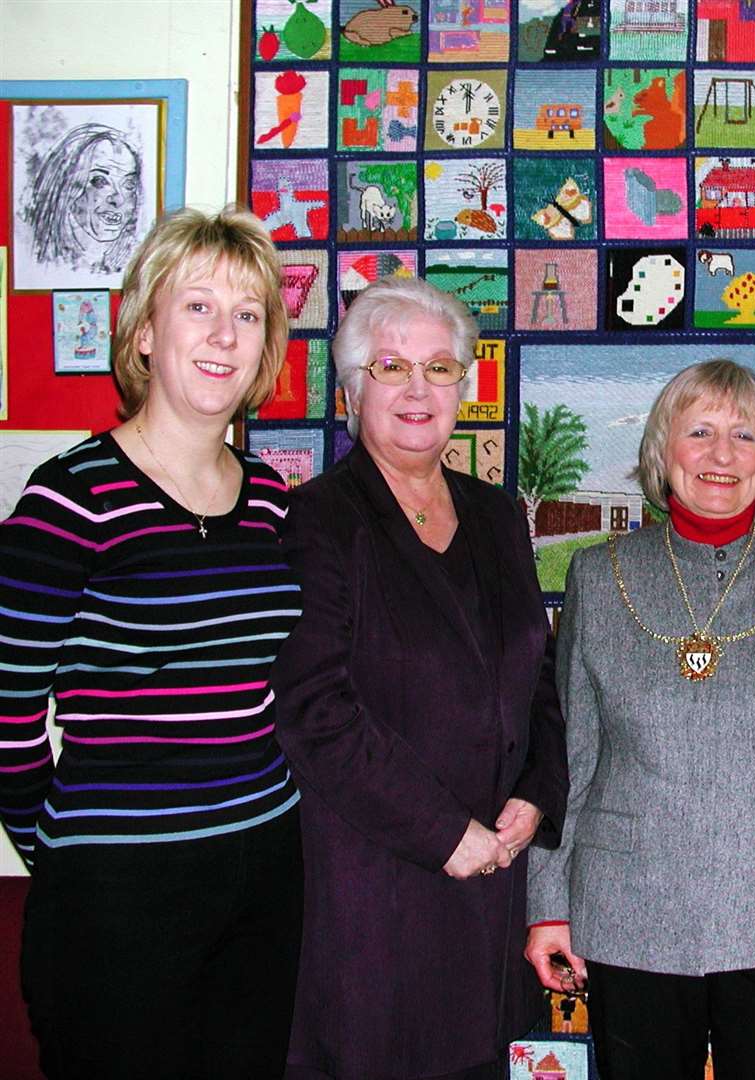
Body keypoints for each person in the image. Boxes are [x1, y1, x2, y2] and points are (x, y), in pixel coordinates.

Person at [0, 206, 301, 1078]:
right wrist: (65, 847)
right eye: (198, 306)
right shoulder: (70, 500)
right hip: (117, 895)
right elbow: (7, 715)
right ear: (143, 333)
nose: (224, 334)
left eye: (248, 315)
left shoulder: (274, 500)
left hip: (265, 871)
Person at [525, 360, 755, 1080]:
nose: (722, 455)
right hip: (626, 914)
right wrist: (547, 904)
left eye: (745, 436)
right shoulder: (598, 573)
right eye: (701, 432)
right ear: (664, 452)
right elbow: (570, 757)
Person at [272, 276, 568, 1079]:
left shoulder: (498, 516)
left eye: (440, 369)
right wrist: (447, 836)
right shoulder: (320, 521)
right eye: (391, 367)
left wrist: (535, 797)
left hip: (487, 898)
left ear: (464, 389)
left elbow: (541, 681)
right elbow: (313, 711)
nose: (417, 389)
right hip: (374, 899)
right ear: (350, 394)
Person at [23, 122, 142, 276]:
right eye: (100, 181)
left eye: (129, 185)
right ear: (67, 187)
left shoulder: (131, 261)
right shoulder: (39, 257)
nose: (118, 199)